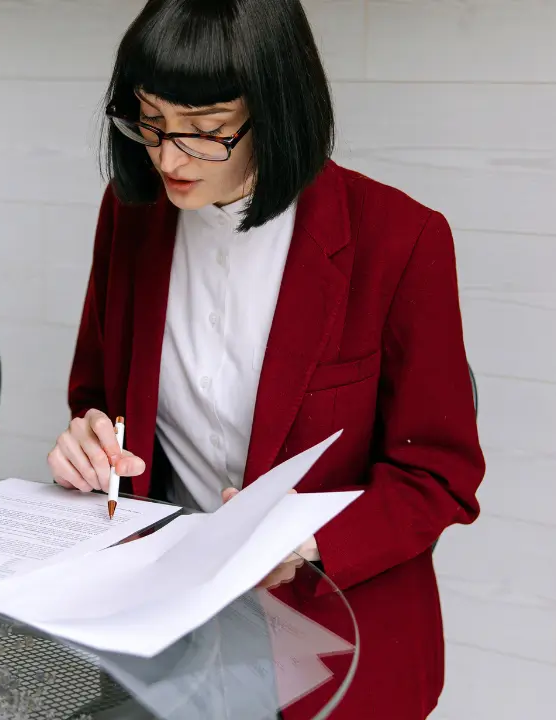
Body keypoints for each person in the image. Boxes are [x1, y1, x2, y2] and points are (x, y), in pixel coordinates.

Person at [46, 0, 484, 717]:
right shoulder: (132, 214)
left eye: (207, 134)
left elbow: (439, 476)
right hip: (165, 626)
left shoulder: (401, 240)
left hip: (330, 636)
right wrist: (89, 443)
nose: (167, 158)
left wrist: (302, 537)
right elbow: (98, 394)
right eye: (150, 121)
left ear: (277, 110)